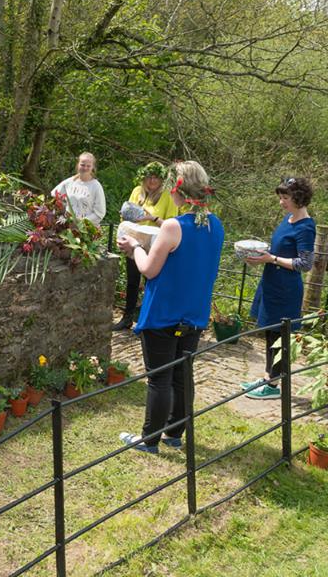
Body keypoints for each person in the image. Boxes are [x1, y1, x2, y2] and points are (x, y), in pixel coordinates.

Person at [115, 161, 224, 453]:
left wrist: (135, 248)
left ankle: (149, 440)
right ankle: (174, 434)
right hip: (194, 314)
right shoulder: (216, 224)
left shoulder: (175, 226)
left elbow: (149, 271)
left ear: (177, 191)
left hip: (165, 312)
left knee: (159, 378)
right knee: (182, 374)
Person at [241, 177, 316, 400]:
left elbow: (304, 264)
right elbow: (277, 250)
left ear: (299, 198)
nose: (281, 202)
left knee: (279, 337)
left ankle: (273, 385)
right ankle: (267, 377)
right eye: (281, 197)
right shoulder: (289, 219)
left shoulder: (305, 228)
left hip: (286, 289)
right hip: (271, 283)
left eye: (285, 198)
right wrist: (259, 256)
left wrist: (271, 258)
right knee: (269, 333)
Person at [113, 162, 180, 331]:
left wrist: (152, 218)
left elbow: (172, 224)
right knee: (132, 281)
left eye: (156, 177)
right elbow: (126, 215)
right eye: (149, 176)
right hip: (134, 241)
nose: (152, 180)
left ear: (162, 179)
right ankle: (127, 318)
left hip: (156, 246)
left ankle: (151, 321)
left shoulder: (167, 196)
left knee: (152, 281)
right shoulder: (137, 191)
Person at [51, 152, 106, 227]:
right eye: (82, 165)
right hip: (66, 227)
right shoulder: (69, 182)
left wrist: (82, 222)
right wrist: (62, 214)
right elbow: (54, 198)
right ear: (78, 165)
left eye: (88, 166)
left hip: (86, 230)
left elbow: (100, 213)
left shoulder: (96, 186)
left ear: (92, 167)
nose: (85, 168)